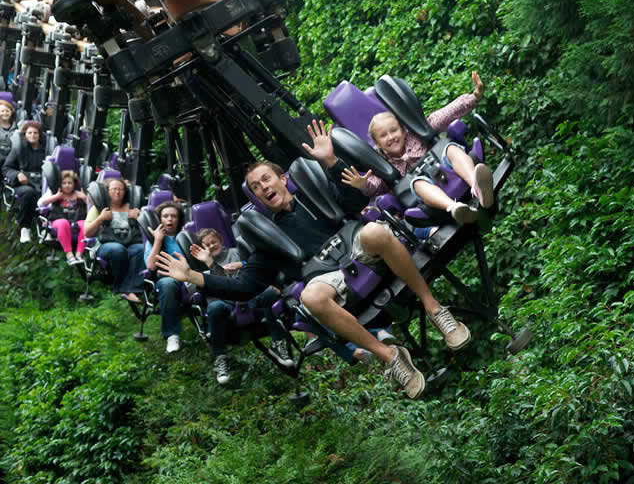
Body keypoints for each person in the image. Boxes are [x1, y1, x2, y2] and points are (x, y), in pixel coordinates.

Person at [157, 121, 472, 399]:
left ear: (282, 179)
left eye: (266, 179)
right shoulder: (267, 237)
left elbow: (354, 200)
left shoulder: (314, 191)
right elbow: (246, 285)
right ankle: (389, 355)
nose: (263, 187)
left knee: (375, 230)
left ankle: (435, 309)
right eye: (255, 187)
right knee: (310, 295)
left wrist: (332, 162)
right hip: (328, 278)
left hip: (357, 250)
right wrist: (195, 277)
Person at [342, 71, 494, 225]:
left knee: (449, 148)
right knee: (416, 183)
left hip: (449, 171)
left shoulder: (418, 132)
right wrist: (363, 185)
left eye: (393, 130)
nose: (390, 137)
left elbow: (446, 115)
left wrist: (473, 97)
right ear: (377, 143)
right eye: (383, 136)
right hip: (430, 196)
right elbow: (375, 187)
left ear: (402, 129)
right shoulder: (383, 165)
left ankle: (476, 185)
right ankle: (455, 208)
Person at [189, 227, 291, 384]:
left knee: (268, 293)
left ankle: (278, 342)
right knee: (214, 307)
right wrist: (209, 263)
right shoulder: (201, 266)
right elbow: (226, 286)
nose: (211, 247)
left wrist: (241, 264)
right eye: (206, 245)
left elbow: (256, 267)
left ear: (221, 241)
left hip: (249, 301)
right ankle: (220, 358)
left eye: (213, 242)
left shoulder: (235, 253)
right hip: (225, 307)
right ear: (202, 248)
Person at [84, 177, 144, 301]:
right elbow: (87, 233)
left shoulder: (132, 208)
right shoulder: (99, 208)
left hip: (130, 242)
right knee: (118, 249)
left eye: (121, 189)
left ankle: (134, 290)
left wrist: (139, 218)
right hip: (106, 245)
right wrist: (100, 219)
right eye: (114, 189)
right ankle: (121, 288)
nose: (117, 192)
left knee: (140, 249)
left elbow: (146, 230)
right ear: (107, 191)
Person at [144, 201, 186, 353]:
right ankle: (172, 335)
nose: (169, 219)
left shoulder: (185, 235)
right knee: (166, 284)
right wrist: (158, 240)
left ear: (179, 219)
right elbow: (150, 266)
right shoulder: (153, 240)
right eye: (165, 216)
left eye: (173, 216)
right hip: (169, 277)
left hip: (189, 274)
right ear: (160, 219)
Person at [2, 121, 46, 243]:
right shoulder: (18, 150)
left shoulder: (46, 151)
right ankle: (25, 227)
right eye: (29, 133)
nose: (32, 135)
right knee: (29, 193)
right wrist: (17, 174)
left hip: (41, 182)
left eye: (35, 133)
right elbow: (6, 168)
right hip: (23, 184)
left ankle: (45, 228)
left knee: (49, 196)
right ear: (25, 135)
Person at [37, 170, 88, 265]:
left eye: (69, 183)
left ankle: (79, 255)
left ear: (74, 184)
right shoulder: (54, 192)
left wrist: (85, 198)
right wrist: (55, 197)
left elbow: (92, 207)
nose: (67, 185)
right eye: (64, 183)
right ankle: (69, 255)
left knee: (85, 224)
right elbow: (40, 203)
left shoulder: (79, 194)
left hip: (76, 222)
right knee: (63, 222)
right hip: (58, 222)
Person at [0, 94, 16, 168]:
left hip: (11, 161)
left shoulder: (17, 128)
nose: (5, 113)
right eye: (2, 111)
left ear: (11, 112)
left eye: (7, 111)